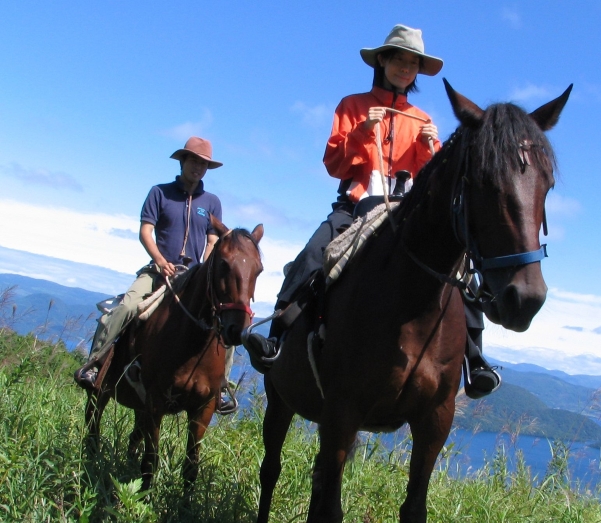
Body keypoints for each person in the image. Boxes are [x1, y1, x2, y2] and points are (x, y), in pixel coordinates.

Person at [245, 24, 500, 397]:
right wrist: (364, 131)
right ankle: (277, 337)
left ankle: (474, 357)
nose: (405, 68)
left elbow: (431, 181)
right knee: (315, 253)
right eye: (399, 59)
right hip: (357, 205)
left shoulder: (423, 119)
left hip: (409, 211)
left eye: (413, 63)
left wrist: (432, 153)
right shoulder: (352, 105)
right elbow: (335, 164)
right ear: (383, 60)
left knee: (458, 266)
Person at [74, 136, 238, 413]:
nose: (198, 168)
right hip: (158, 271)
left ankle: (221, 386)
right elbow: (145, 232)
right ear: (183, 161)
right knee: (125, 306)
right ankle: (96, 364)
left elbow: (212, 242)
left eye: (204, 164)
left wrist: (203, 273)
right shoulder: (160, 193)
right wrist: (161, 261)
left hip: (192, 275)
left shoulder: (211, 202)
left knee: (224, 324)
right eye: (194, 161)